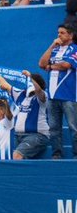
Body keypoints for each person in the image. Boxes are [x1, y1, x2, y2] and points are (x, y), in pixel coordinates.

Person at [40, 23, 77, 158]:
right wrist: (51, 46)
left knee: (74, 128)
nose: (59, 35)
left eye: (62, 33)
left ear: (70, 35)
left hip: (69, 96)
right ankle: (57, 154)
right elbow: (41, 64)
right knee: (54, 128)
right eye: (58, 33)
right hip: (52, 95)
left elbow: (67, 65)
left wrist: (50, 67)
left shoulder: (75, 49)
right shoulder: (54, 50)